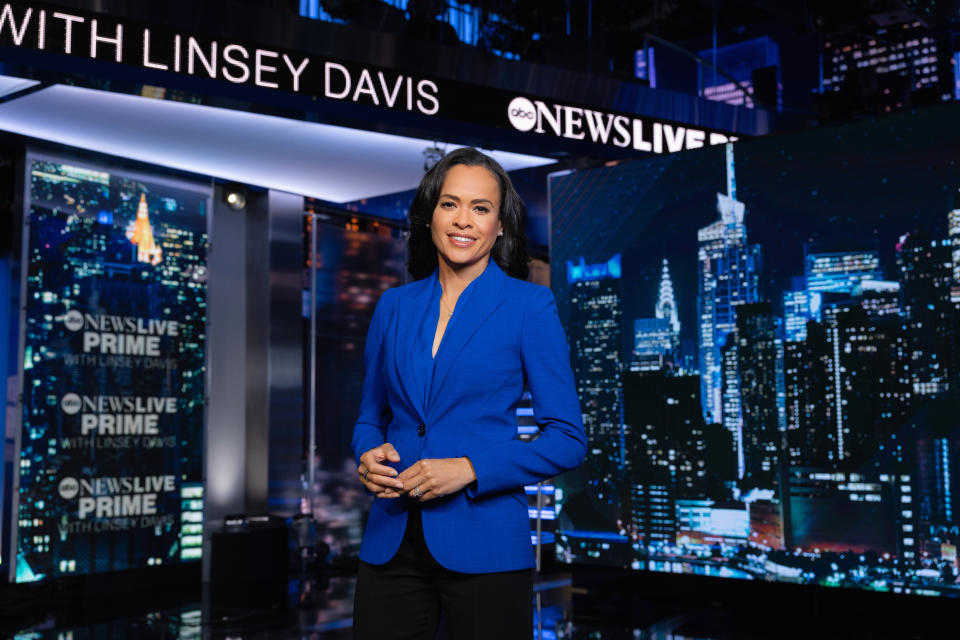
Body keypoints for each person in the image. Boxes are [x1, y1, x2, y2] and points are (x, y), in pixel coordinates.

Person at [351, 147, 586, 639]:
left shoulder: (529, 306)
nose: (463, 220)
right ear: (431, 214)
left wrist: (470, 470)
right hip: (391, 539)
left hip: (486, 542)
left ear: (500, 224)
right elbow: (370, 418)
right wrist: (366, 455)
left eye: (480, 208)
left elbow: (567, 437)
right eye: (450, 204)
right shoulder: (394, 305)